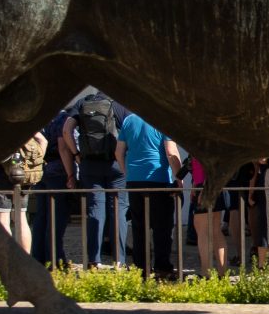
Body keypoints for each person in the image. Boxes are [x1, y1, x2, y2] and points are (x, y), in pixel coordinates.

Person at [64, 90, 128, 267]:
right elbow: (129, 131)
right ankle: (119, 260)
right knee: (118, 210)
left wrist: (77, 155)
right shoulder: (119, 104)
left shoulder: (82, 103)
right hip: (116, 165)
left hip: (90, 164)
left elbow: (66, 131)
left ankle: (94, 259)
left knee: (95, 209)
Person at [117, 108, 183, 276]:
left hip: (134, 181)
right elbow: (171, 152)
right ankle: (163, 268)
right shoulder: (164, 120)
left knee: (139, 226)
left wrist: (127, 173)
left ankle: (141, 268)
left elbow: (119, 152)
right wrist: (179, 178)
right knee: (162, 227)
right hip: (158, 179)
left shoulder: (129, 120)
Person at [31, 98, 78, 267]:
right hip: (58, 171)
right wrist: (70, 174)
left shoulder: (40, 120)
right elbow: (63, 148)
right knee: (57, 218)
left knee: (41, 216)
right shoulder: (62, 119)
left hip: (40, 170)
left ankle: (38, 256)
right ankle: (55, 258)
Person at [0, 130, 46, 256]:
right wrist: (34, 164)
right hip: (25, 175)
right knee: (21, 217)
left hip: (3, 175)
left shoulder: (1, 122)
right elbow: (43, 141)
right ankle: (25, 259)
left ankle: (8, 261)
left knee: (2, 218)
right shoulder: (27, 122)